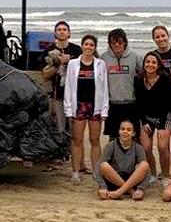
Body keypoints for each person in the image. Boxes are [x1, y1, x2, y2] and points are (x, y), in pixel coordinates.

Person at [63, 35, 109, 182]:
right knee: (77, 140)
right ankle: (76, 172)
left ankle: (96, 171)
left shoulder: (100, 64)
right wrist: (68, 109)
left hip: (95, 106)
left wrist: (104, 109)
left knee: (95, 140)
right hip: (79, 106)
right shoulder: (72, 64)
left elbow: (105, 88)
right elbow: (69, 87)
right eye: (86, 44)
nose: (88, 47)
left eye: (91, 45)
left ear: (95, 48)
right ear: (82, 46)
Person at [39, 21, 82, 169]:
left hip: (76, 96)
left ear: (69, 33)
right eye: (59, 30)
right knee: (59, 128)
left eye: (65, 30)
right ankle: (58, 157)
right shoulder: (48, 50)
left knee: (77, 130)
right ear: (55, 33)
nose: (62, 32)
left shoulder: (77, 50)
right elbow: (45, 74)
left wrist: (70, 61)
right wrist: (58, 63)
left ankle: (79, 162)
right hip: (57, 94)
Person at [135, 51, 171, 182]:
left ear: (158, 65)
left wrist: (162, 126)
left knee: (162, 147)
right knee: (146, 147)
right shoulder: (139, 79)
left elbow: (168, 104)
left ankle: (166, 175)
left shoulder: (165, 79)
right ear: (144, 63)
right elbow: (138, 103)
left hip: (165, 117)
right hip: (147, 118)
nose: (150, 64)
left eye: (154, 62)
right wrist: (144, 122)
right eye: (148, 62)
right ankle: (153, 174)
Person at [93, 119, 150, 201]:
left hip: (131, 181)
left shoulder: (138, 148)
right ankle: (128, 191)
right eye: (122, 129)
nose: (125, 132)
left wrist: (141, 189)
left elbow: (147, 171)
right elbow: (98, 167)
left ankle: (119, 192)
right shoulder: (111, 145)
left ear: (133, 133)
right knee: (103, 165)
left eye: (129, 130)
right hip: (112, 181)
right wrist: (102, 186)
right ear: (119, 131)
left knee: (145, 164)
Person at [101, 28, 141, 141]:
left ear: (125, 42)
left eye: (120, 42)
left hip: (131, 104)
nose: (117, 45)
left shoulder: (135, 57)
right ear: (109, 44)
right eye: (113, 43)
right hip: (112, 105)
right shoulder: (104, 58)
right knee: (113, 138)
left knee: (133, 138)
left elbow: (147, 75)